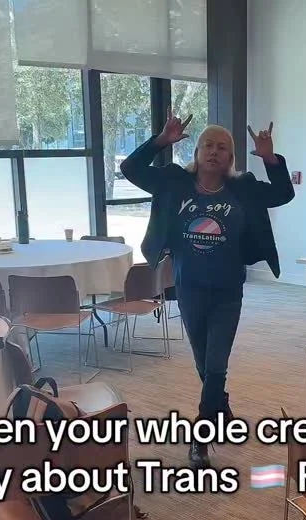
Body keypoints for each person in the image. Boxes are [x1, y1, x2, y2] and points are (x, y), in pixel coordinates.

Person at [120, 112, 295, 468]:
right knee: (204, 363)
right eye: (208, 145)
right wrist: (160, 141)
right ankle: (221, 405)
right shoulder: (173, 182)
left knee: (216, 364)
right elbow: (130, 169)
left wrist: (270, 159)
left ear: (230, 157)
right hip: (188, 288)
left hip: (228, 290)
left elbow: (282, 193)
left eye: (222, 148)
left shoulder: (243, 187)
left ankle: (200, 438)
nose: (214, 152)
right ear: (197, 152)